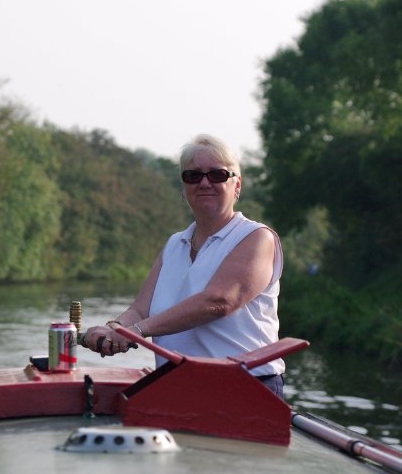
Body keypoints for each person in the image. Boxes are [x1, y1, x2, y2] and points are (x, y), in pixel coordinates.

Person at [84, 134, 285, 397]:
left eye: (217, 175)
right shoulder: (174, 244)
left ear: (237, 185)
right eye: (193, 176)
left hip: (244, 387)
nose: (204, 183)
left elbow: (218, 302)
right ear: (183, 187)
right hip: (178, 385)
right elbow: (140, 309)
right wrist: (113, 330)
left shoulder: (256, 237)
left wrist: (134, 332)